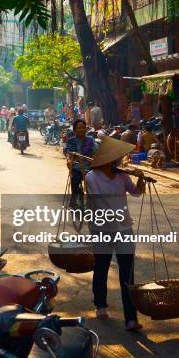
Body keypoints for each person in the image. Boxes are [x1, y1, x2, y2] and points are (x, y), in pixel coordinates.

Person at [85, 137, 145, 330]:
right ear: (109, 159)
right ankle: (100, 304)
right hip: (102, 228)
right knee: (101, 266)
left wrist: (141, 177)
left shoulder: (122, 176)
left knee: (127, 272)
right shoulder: (91, 177)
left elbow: (136, 192)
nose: (120, 160)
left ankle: (131, 318)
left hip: (124, 228)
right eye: (117, 157)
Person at [64, 119, 97, 206]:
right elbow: (68, 152)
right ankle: (73, 198)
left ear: (86, 129)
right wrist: (70, 159)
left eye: (83, 128)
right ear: (74, 130)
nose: (81, 129)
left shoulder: (90, 139)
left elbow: (95, 150)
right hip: (76, 166)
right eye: (79, 128)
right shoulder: (71, 141)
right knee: (74, 179)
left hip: (89, 166)